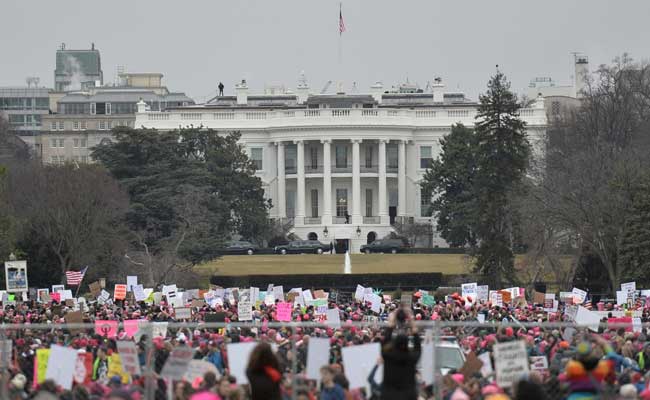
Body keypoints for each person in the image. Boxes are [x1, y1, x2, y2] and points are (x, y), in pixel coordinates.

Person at [380, 307, 421, 400]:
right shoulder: (411, 359)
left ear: (394, 344)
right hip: (408, 396)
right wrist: (412, 322)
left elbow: (385, 343)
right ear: (407, 344)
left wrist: (391, 324)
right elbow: (418, 347)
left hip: (389, 396)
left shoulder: (388, 356)